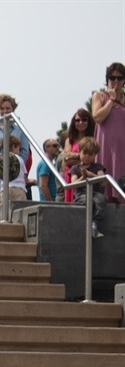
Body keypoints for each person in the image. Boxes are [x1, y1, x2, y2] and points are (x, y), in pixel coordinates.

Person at [0, 93, 30, 207]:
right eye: (2, 108)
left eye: (8, 108)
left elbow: (24, 151)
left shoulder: (20, 130)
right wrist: (0, 166)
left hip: (15, 177)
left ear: (13, 109)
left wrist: (14, 165)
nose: (5, 111)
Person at [92, 62, 125, 203]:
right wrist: (111, 100)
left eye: (119, 78)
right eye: (112, 78)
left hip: (122, 149)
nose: (116, 81)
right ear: (107, 79)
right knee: (103, 189)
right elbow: (98, 117)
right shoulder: (99, 96)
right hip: (105, 147)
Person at [70, 137, 107, 238]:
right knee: (87, 200)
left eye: (90, 154)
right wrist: (83, 176)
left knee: (100, 200)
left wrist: (90, 174)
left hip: (96, 193)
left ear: (95, 155)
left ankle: (95, 224)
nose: (87, 156)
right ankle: (86, 225)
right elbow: (73, 183)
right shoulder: (75, 168)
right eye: (84, 153)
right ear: (79, 152)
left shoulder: (97, 167)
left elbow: (103, 181)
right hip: (81, 194)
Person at [62, 109, 96, 203]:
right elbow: (66, 160)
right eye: (77, 120)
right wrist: (81, 156)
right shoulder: (70, 140)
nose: (80, 122)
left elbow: (93, 160)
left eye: (84, 120)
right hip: (71, 175)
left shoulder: (93, 138)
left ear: (89, 122)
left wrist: (73, 156)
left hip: (88, 173)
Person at [0, 136, 28, 207]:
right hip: (20, 190)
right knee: (20, 214)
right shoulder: (20, 160)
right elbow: (25, 177)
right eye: (18, 149)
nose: (19, 152)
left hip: (5, 190)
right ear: (14, 146)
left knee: (5, 215)